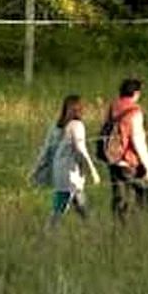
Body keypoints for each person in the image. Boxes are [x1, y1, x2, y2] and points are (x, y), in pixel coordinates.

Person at [31, 94, 100, 228]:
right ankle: (48, 232)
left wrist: (36, 169)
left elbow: (46, 150)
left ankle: (94, 229)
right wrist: (93, 170)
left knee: (79, 202)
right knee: (61, 206)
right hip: (70, 173)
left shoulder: (56, 127)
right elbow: (81, 149)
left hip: (59, 171)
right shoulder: (77, 125)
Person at [105, 78, 148, 219]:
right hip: (129, 159)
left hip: (113, 158)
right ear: (136, 93)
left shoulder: (113, 106)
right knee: (144, 192)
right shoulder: (134, 111)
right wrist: (147, 165)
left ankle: (118, 226)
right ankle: (141, 223)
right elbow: (138, 140)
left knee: (119, 195)